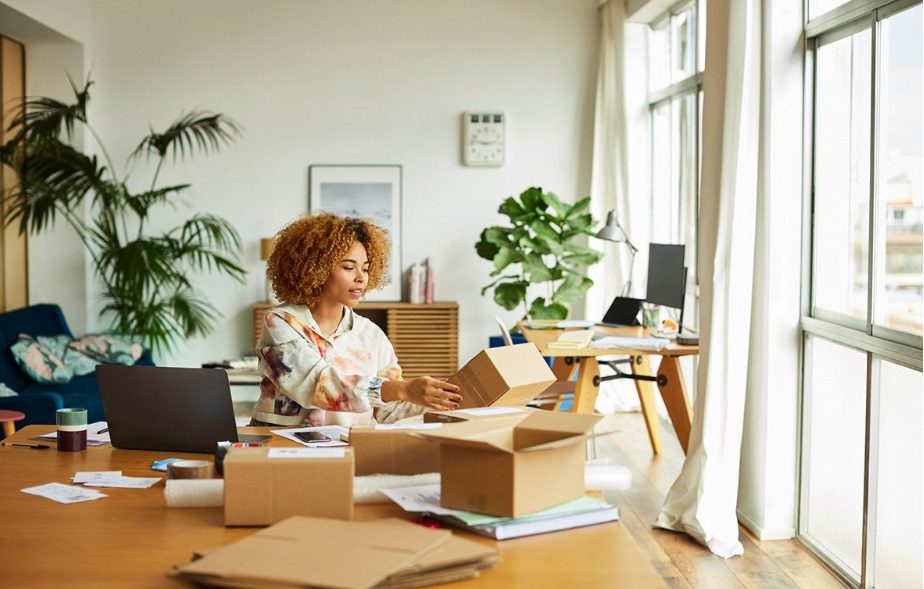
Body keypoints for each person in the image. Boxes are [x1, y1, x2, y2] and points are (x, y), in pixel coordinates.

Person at [250, 212, 462, 427]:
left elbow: (387, 411)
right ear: (317, 269)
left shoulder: (372, 335)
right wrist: (403, 389)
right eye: (349, 267)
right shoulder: (282, 321)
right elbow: (316, 384)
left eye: (366, 268)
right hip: (282, 445)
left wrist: (440, 398)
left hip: (347, 446)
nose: (361, 277)